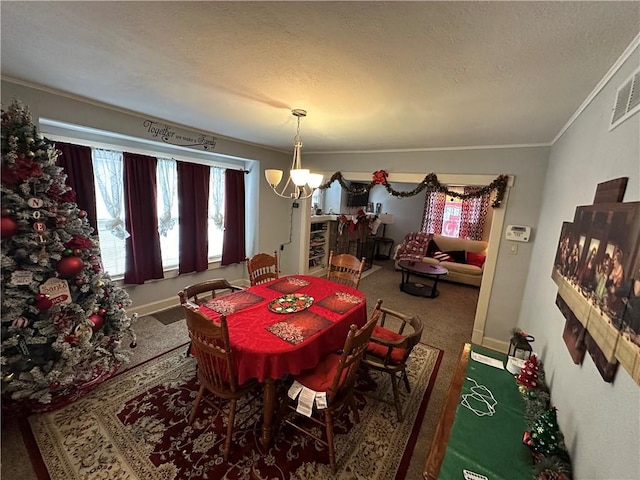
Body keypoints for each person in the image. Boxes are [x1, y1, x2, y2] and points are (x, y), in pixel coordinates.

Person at [614, 268, 640, 341]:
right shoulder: (630, 284)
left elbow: (637, 318)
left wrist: (628, 305)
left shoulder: (631, 283)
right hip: (619, 324)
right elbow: (617, 292)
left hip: (630, 333)